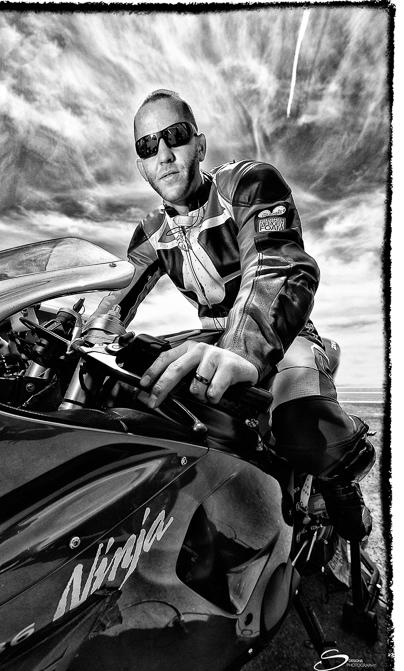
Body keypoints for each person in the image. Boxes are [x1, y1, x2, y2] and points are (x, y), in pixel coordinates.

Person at [88, 89, 375, 542]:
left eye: (175, 136)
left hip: (280, 330)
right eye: (147, 145)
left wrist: (243, 348)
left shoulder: (247, 183)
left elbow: (276, 263)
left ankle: (338, 484)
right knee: (126, 375)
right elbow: (115, 298)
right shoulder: (150, 231)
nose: (163, 154)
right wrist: (83, 333)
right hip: (211, 338)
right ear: (141, 165)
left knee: (304, 425)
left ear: (199, 145)